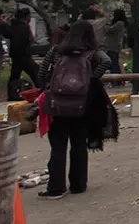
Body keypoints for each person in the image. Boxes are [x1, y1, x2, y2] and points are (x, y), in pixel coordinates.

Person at [37, 20, 112, 199]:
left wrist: (50, 84)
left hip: (57, 105)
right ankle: (78, 185)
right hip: (81, 105)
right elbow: (107, 61)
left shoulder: (56, 51)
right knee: (78, 144)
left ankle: (55, 188)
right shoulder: (92, 53)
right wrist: (91, 80)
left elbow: (41, 72)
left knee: (57, 146)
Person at [6, 8, 40, 99]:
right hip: (22, 55)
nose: (30, 18)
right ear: (26, 17)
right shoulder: (22, 27)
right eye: (29, 16)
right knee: (35, 72)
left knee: (16, 74)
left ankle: (12, 93)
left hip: (20, 55)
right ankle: (41, 90)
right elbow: (19, 42)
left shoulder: (17, 26)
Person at [104, 10, 126, 75]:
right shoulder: (120, 23)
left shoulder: (119, 23)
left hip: (113, 47)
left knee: (114, 64)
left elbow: (109, 30)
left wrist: (106, 24)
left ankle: (115, 80)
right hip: (113, 46)